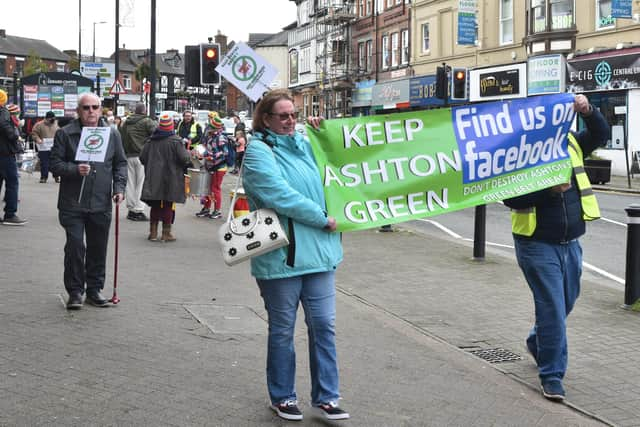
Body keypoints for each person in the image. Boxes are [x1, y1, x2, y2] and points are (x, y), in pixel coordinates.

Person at [241, 89, 348, 421]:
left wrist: (323, 133)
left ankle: (327, 397)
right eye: (283, 116)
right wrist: (320, 217)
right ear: (266, 119)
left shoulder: (306, 143)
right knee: (283, 329)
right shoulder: (258, 152)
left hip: (321, 253)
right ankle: (283, 396)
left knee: (324, 326)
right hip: (282, 258)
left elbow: (343, 167)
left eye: (295, 115)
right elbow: (278, 194)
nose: (290, 121)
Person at [503, 94, 609, 402]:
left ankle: (538, 342)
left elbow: (600, 134)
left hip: (570, 241)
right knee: (552, 308)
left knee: (566, 303)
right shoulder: (519, 152)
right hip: (536, 243)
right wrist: (548, 191)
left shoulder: (572, 142)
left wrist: (588, 110)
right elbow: (512, 198)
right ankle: (551, 375)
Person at [50, 92, 127, 310]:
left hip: (100, 201)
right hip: (72, 202)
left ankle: (94, 289)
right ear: (78, 111)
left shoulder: (112, 134)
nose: (91, 111)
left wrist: (119, 188)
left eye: (95, 107)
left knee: (97, 247)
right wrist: (75, 169)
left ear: (101, 109)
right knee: (75, 246)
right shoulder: (65, 134)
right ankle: (75, 291)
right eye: (86, 108)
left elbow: (120, 164)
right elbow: (54, 164)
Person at [139, 114, 190, 242]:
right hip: (171, 176)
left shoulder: (151, 141)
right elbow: (184, 158)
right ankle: (166, 234)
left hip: (154, 176)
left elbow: (142, 158)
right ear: (171, 126)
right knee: (167, 204)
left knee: (155, 204)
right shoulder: (176, 141)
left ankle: (153, 233)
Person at [119, 102, 156, 222]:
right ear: (144, 111)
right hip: (142, 156)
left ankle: (130, 209)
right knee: (141, 183)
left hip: (128, 156)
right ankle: (138, 210)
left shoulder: (125, 122)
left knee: (130, 183)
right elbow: (156, 134)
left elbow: (121, 138)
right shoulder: (147, 121)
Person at [0, 94, 28, 226]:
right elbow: (5, 126)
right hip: (5, 153)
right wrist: (15, 135)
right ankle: (10, 214)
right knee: (12, 182)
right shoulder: (3, 112)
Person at [194, 115, 228, 219]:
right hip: (209, 166)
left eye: (211, 127)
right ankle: (206, 208)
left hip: (219, 166)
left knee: (215, 188)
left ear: (216, 128)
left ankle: (217, 210)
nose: (209, 128)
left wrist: (211, 156)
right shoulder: (209, 136)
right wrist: (199, 152)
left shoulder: (221, 137)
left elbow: (225, 153)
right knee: (207, 187)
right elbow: (204, 147)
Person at [31, 111, 60, 183]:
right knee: (44, 163)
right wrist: (38, 139)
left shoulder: (56, 125)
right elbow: (34, 133)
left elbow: (60, 134)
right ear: (46, 118)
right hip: (43, 147)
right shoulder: (39, 125)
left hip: (54, 147)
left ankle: (56, 176)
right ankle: (44, 177)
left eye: (54, 118)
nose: (52, 120)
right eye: (51, 119)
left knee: (55, 162)